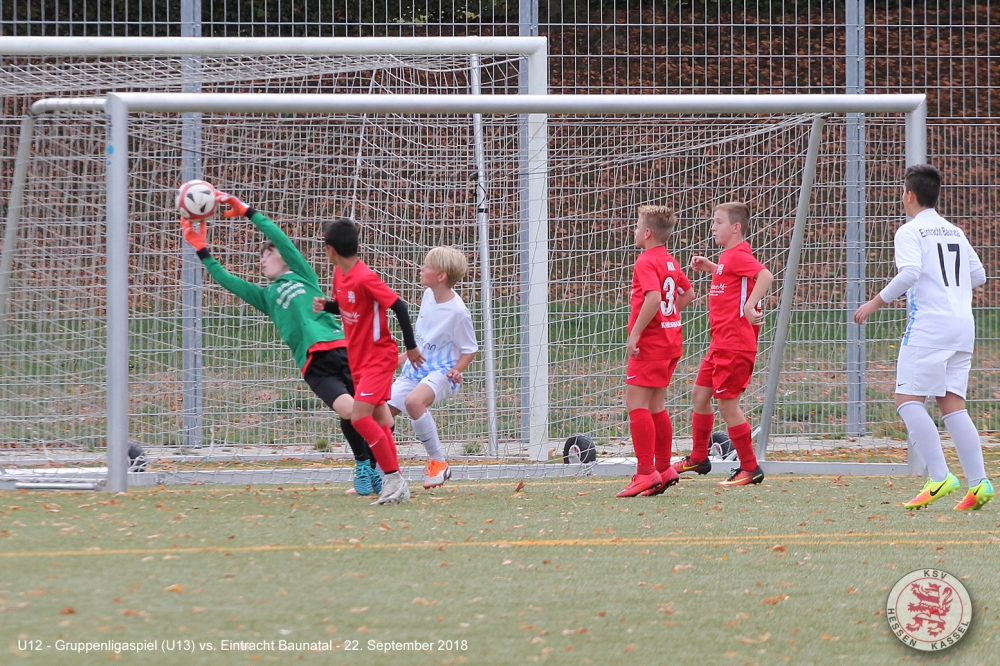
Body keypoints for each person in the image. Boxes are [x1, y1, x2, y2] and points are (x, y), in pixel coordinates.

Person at [180, 190, 382, 496]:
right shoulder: (267, 296)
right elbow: (227, 280)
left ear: (284, 257)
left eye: (268, 254)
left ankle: (377, 469)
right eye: (260, 257)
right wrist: (202, 249)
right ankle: (365, 464)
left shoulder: (303, 275)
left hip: (344, 350)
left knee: (374, 414)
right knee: (351, 410)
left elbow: (278, 236)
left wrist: (247, 211)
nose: (262, 260)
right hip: (314, 364)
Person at [854, 164, 992, 511]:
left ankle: (939, 476)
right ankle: (979, 483)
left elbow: (911, 272)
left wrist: (875, 302)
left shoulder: (909, 230)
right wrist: (948, 287)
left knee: (907, 400)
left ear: (910, 195)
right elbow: (979, 275)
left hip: (930, 326)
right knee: (952, 404)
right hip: (963, 326)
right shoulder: (954, 231)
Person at [315, 218, 422, 505]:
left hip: (378, 358)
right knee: (381, 420)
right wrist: (327, 306)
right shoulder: (340, 275)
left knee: (360, 417)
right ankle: (395, 481)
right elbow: (349, 307)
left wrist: (411, 347)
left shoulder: (365, 277)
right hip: (359, 360)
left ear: (330, 249)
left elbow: (399, 306)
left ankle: (393, 479)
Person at [672, 202, 774, 487]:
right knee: (699, 396)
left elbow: (765, 276)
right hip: (720, 343)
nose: (713, 227)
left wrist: (750, 305)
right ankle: (698, 458)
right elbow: (732, 277)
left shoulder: (739, 254)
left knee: (727, 405)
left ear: (736, 227)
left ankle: (750, 468)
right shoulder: (728, 257)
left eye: (718, 222)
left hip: (735, 344)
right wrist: (711, 267)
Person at [617, 206, 695, 498]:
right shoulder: (670, 261)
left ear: (647, 233)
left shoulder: (645, 261)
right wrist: (668, 316)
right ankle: (663, 469)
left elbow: (652, 299)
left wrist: (636, 333)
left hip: (651, 345)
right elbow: (688, 293)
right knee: (656, 405)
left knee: (636, 404)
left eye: (637, 227)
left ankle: (645, 473)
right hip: (671, 341)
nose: (635, 231)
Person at [388, 247, 478, 490]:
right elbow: (424, 338)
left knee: (414, 402)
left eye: (427, 266)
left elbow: (470, 349)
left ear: (441, 276)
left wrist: (457, 369)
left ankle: (439, 463)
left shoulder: (458, 312)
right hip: (416, 367)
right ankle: (381, 473)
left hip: (442, 372)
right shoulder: (428, 295)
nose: (421, 268)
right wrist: (403, 357)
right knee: (380, 414)